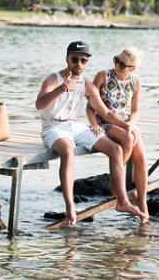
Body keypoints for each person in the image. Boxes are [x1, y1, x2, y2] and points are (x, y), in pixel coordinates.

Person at [35, 41, 148, 227]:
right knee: (68, 150)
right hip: (52, 127)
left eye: (83, 60)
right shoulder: (52, 80)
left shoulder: (86, 84)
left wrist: (126, 126)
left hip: (75, 126)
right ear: (67, 59)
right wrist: (61, 89)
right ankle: (70, 207)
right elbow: (39, 105)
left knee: (115, 149)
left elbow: (106, 113)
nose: (79, 64)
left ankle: (122, 201)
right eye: (75, 59)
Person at [86, 47, 149, 220]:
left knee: (142, 158)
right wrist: (93, 124)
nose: (117, 65)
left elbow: (135, 111)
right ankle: (115, 183)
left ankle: (142, 202)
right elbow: (90, 105)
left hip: (125, 123)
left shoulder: (135, 81)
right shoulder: (102, 76)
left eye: (122, 64)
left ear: (132, 68)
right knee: (129, 138)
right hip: (104, 121)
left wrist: (130, 123)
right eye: (116, 60)